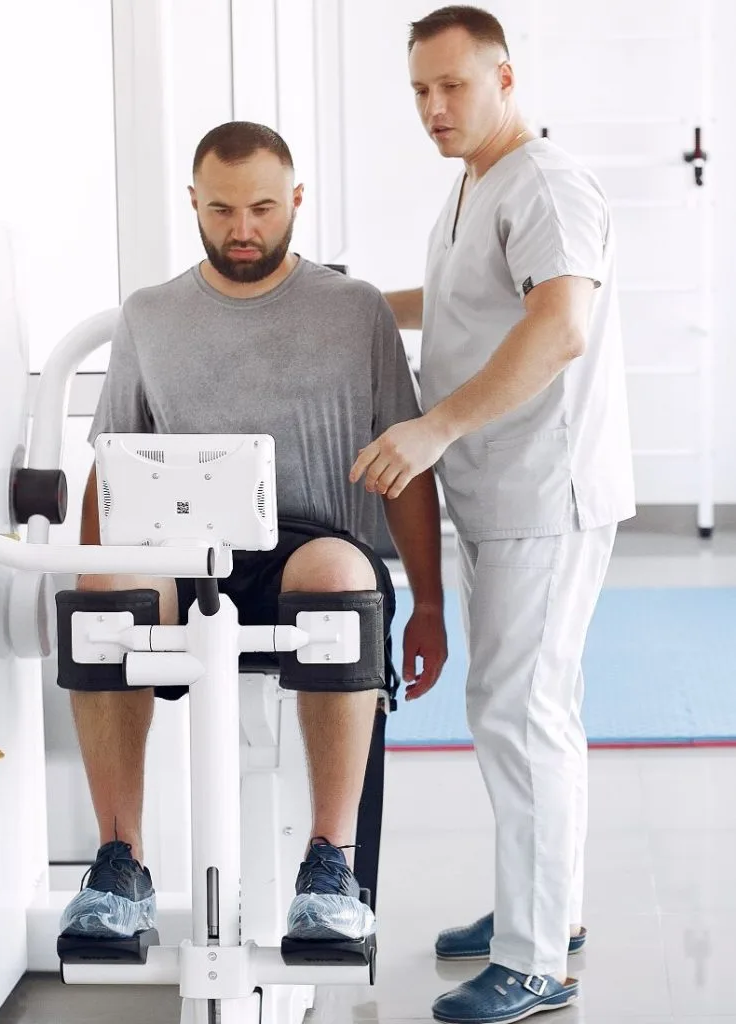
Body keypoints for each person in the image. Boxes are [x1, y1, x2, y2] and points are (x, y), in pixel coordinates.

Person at [58, 120, 448, 949]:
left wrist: (430, 605)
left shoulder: (356, 311)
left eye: (264, 209)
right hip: (177, 548)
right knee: (101, 592)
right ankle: (118, 862)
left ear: (296, 202)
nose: (243, 230)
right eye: (224, 209)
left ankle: (329, 863)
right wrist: (89, 568)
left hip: (310, 547)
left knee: (340, 578)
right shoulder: (151, 315)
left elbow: (408, 467)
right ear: (193, 203)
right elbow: (109, 464)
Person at [350, 7, 635, 1022]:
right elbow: (466, 298)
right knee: (510, 711)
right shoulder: (477, 181)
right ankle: (540, 911)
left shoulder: (547, 185)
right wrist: (353, 304)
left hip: (541, 492)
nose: (433, 107)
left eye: (452, 86)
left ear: (503, 79)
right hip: (496, 493)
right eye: (419, 90)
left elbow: (557, 327)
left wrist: (433, 428)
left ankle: (536, 958)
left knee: (523, 715)